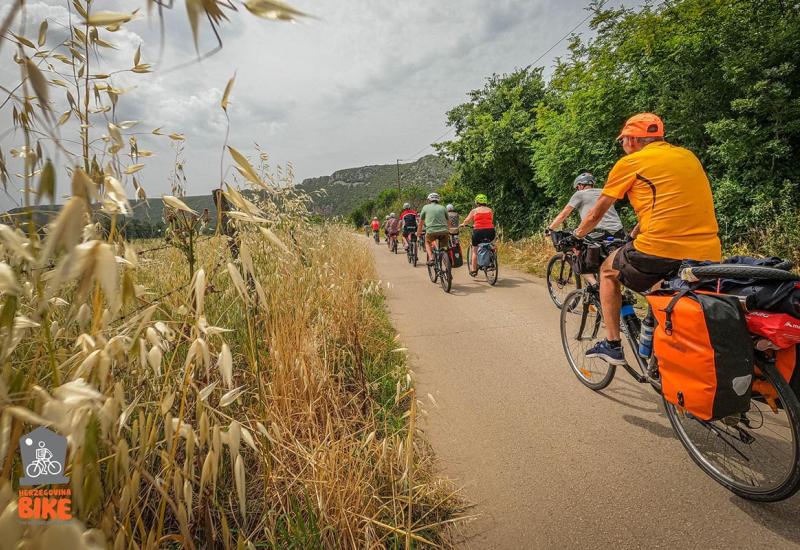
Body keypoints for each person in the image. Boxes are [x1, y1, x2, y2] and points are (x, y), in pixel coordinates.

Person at [573, 113, 722, 365]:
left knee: (608, 271)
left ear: (632, 139)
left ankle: (612, 345)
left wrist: (577, 235)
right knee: (660, 286)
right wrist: (632, 235)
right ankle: (655, 338)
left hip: (660, 249)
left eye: (622, 141)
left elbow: (597, 212)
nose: (622, 146)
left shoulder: (631, 163)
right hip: (709, 252)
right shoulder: (688, 156)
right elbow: (667, 205)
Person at [547, 173, 624, 239]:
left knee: (577, 245)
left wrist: (550, 229)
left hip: (598, 233)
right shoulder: (604, 192)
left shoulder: (580, 194)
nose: (577, 190)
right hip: (619, 231)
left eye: (577, 188)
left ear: (580, 185)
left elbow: (563, 215)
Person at [460, 194, 495, 276]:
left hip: (478, 231)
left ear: (477, 202)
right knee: (490, 244)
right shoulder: (490, 210)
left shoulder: (474, 211)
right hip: (490, 231)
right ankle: (492, 259)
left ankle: (474, 270)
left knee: (475, 250)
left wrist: (463, 224)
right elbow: (491, 220)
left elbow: (467, 220)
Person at [417, 192, 451, 266]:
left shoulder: (425, 207)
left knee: (427, 242)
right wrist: (448, 231)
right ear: (438, 200)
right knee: (444, 248)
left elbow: (420, 223)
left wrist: (418, 233)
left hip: (431, 231)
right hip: (444, 231)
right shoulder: (443, 207)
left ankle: (431, 258)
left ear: (429, 200)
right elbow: (448, 222)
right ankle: (447, 267)